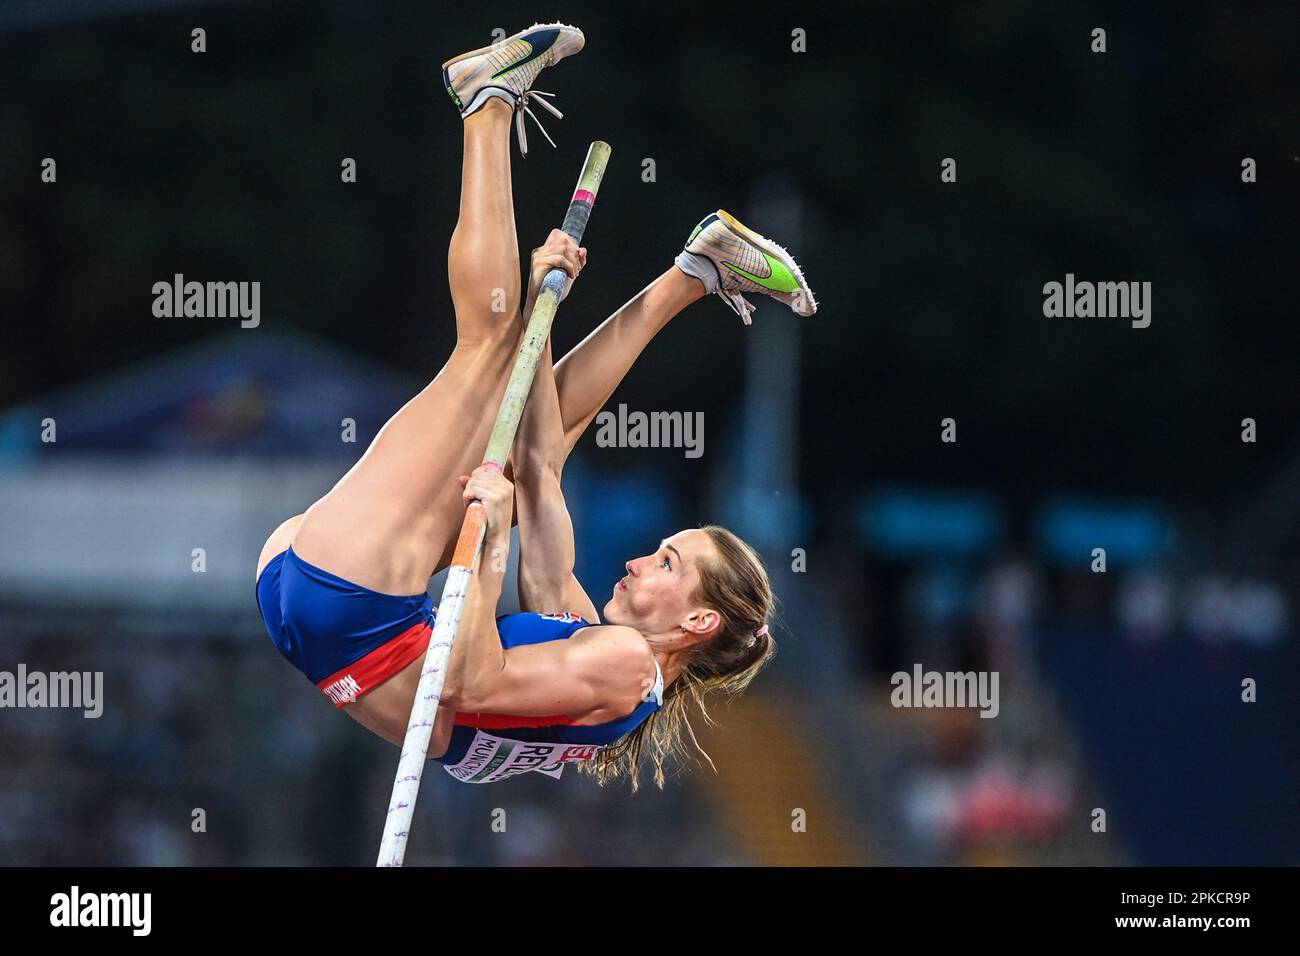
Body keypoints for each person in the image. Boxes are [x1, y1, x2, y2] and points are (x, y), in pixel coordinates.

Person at [255, 22, 817, 788]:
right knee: (523, 401)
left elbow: (466, 684)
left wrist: (488, 546)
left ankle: (485, 103)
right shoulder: (593, 642)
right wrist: (543, 314)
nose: (638, 560)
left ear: (697, 622)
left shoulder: (624, 663)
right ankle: (691, 274)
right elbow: (540, 467)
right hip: (337, 611)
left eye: (665, 564)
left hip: (355, 609)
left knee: (483, 349)